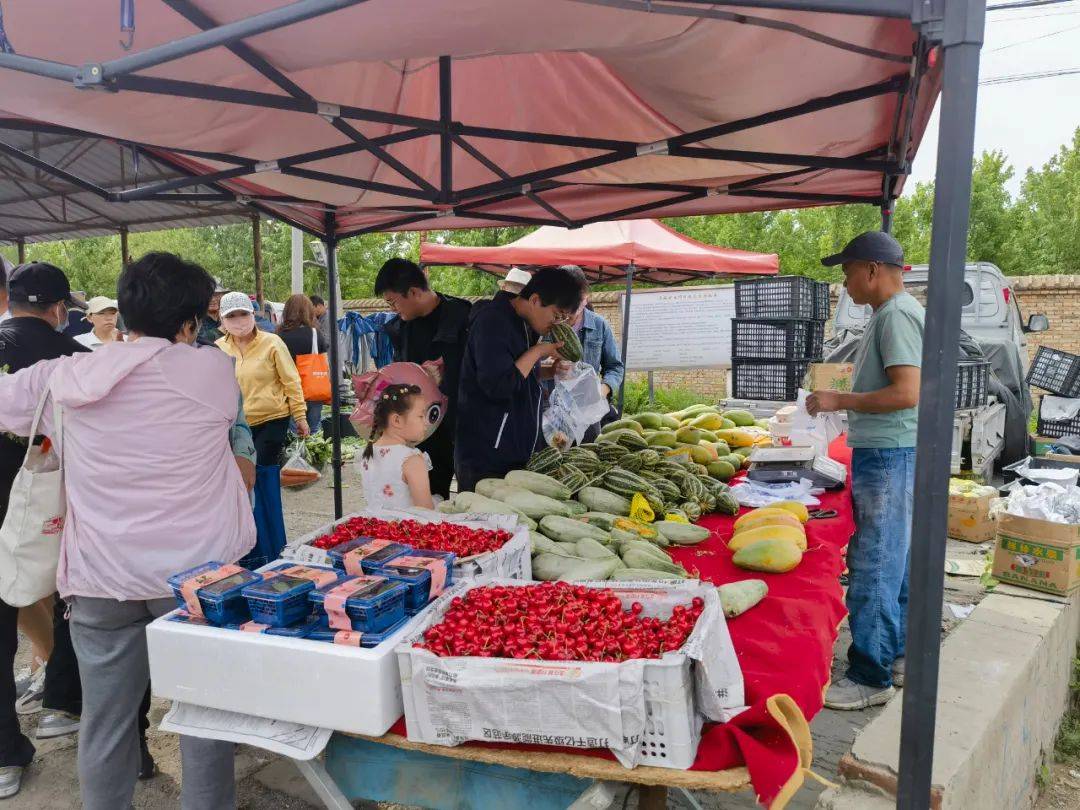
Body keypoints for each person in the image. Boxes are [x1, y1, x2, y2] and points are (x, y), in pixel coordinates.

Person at [0, 252, 256, 809]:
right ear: (190, 322)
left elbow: (8, 405)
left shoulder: (65, 376)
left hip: (102, 578)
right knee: (204, 715)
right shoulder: (212, 371)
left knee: (106, 719)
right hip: (197, 578)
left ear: (125, 312)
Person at [806, 231, 923, 711]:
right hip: (891, 451)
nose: (845, 283)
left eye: (848, 271)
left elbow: (906, 392)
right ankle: (896, 655)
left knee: (875, 562)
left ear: (872, 269)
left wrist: (840, 400)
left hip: (889, 454)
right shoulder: (892, 313)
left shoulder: (896, 315)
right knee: (893, 558)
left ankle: (870, 675)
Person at [0, 262, 88, 798]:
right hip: (58, 506)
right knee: (71, 593)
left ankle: (4, 758)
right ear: (58, 309)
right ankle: (64, 704)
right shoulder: (75, 359)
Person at [456, 266, 586, 492]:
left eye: (564, 318)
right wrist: (538, 351)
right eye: (557, 315)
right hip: (487, 457)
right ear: (535, 300)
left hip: (512, 452)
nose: (558, 324)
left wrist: (549, 371)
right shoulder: (492, 322)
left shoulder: (524, 322)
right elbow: (498, 385)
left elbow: (518, 373)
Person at [375, 258, 471, 499]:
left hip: (464, 424)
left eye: (393, 302)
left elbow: (480, 371)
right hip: (423, 430)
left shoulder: (463, 317)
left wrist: (448, 373)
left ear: (414, 292)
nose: (392, 309)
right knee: (427, 497)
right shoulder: (400, 328)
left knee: (469, 498)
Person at [557, 266, 624, 440]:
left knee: (588, 453)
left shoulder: (599, 325)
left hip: (588, 413)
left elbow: (615, 367)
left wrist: (603, 390)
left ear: (585, 296)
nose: (570, 309)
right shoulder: (547, 325)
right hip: (555, 413)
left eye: (576, 300)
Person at [359, 383, 435, 510]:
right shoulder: (411, 460)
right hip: (405, 523)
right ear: (397, 421)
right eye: (421, 416)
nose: (426, 423)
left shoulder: (368, 453)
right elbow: (426, 511)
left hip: (373, 522)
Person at [277, 293, 330, 433]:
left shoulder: (279, 335)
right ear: (309, 311)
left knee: (294, 433)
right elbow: (325, 365)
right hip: (313, 389)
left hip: (289, 391)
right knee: (314, 430)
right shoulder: (315, 333)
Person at [197, 280, 227, 344]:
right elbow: (198, 341)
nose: (213, 299)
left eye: (216, 295)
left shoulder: (228, 316)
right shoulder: (197, 320)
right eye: (208, 295)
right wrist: (221, 329)